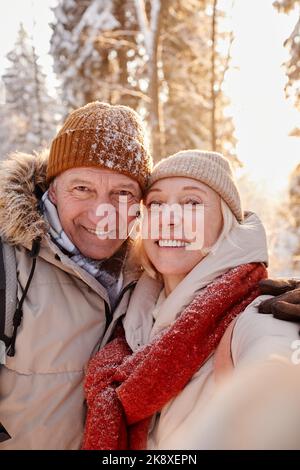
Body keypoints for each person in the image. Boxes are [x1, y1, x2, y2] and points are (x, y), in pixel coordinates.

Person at [82, 149, 300, 450]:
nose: (169, 220)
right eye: (156, 204)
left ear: (225, 224)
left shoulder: (256, 315)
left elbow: (279, 375)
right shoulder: (128, 320)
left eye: (192, 203)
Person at [0, 101, 152, 450]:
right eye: (82, 189)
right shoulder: (9, 263)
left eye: (122, 193)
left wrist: (263, 301)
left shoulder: (153, 270)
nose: (102, 213)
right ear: (51, 190)